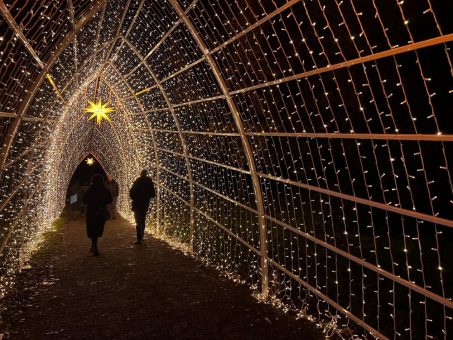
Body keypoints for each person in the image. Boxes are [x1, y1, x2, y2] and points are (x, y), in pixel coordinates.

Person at [83, 174, 112, 256]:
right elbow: (109, 200)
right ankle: (94, 245)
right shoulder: (105, 190)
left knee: (92, 228)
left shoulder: (90, 190)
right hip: (101, 211)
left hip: (91, 211)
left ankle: (94, 244)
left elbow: (84, 200)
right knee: (98, 228)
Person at [129, 169, 156, 244]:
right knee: (142, 219)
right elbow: (153, 194)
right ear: (146, 174)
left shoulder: (136, 182)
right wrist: (146, 196)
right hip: (145, 204)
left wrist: (136, 197)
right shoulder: (149, 182)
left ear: (140, 174)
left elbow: (131, 193)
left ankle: (139, 238)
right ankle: (141, 235)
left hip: (136, 204)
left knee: (138, 221)